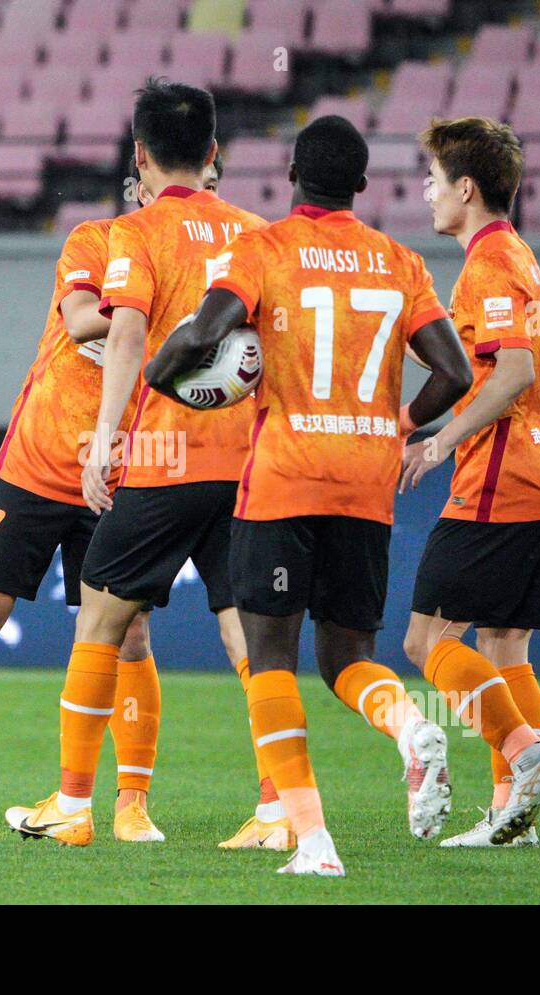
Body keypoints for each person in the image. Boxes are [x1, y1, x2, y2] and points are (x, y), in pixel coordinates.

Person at [146, 115, 474, 874]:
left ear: (292, 174)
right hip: (366, 483)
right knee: (349, 654)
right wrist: (399, 422)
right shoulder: (400, 262)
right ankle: (406, 727)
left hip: (285, 481)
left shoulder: (263, 248)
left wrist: (161, 379)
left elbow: (204, 334)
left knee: (270, 660)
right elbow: (455, 374)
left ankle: (315, 842)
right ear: (362, 184)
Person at [3, 80, 266, 847]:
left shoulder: (137, 233)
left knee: (100, 620)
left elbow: (122, 336)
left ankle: (75, 805)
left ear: (141, 157)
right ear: (215, 154)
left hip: (162, 461)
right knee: (247, 635)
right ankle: (279, 808)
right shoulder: (257, 234)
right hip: (245, 464)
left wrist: (109, 437)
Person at [400, 117, 540, 847]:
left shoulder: (487, 265)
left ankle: (525, 755)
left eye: (435, 179)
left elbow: (514, 370)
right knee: (507, 645)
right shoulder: (519, 255)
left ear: (466, 188)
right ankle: (515, 810)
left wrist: (441, 439)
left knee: (423, 639)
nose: (427, 191)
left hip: (503, 484)